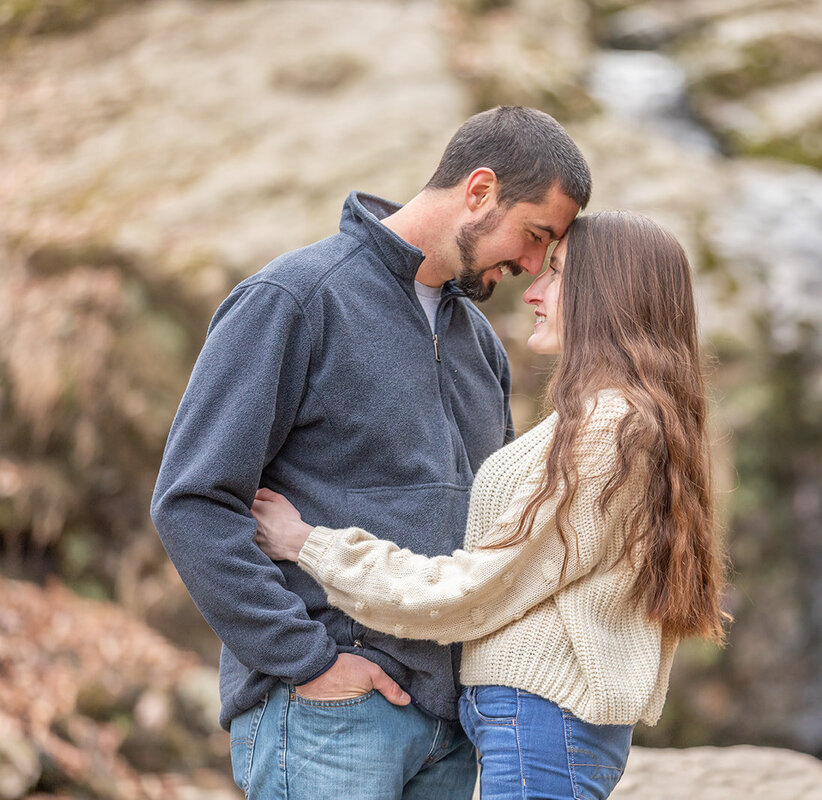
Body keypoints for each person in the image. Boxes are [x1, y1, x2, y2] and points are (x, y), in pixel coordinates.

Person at [149, 106, 590, 800]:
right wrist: (308, 662)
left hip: (450, 725)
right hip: (330, 715)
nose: (532, 265)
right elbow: (193, 501)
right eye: (535, 235)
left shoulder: (480, 347)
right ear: (479, 191)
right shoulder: (295, 298)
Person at [251, 211, 731, 800]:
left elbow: (479, 584)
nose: (532, 289)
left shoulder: (612, 427)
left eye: (555, 274)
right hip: (541, 724)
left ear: (606, 295)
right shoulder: (623, 419)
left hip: (543, 723)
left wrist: (310, 544)